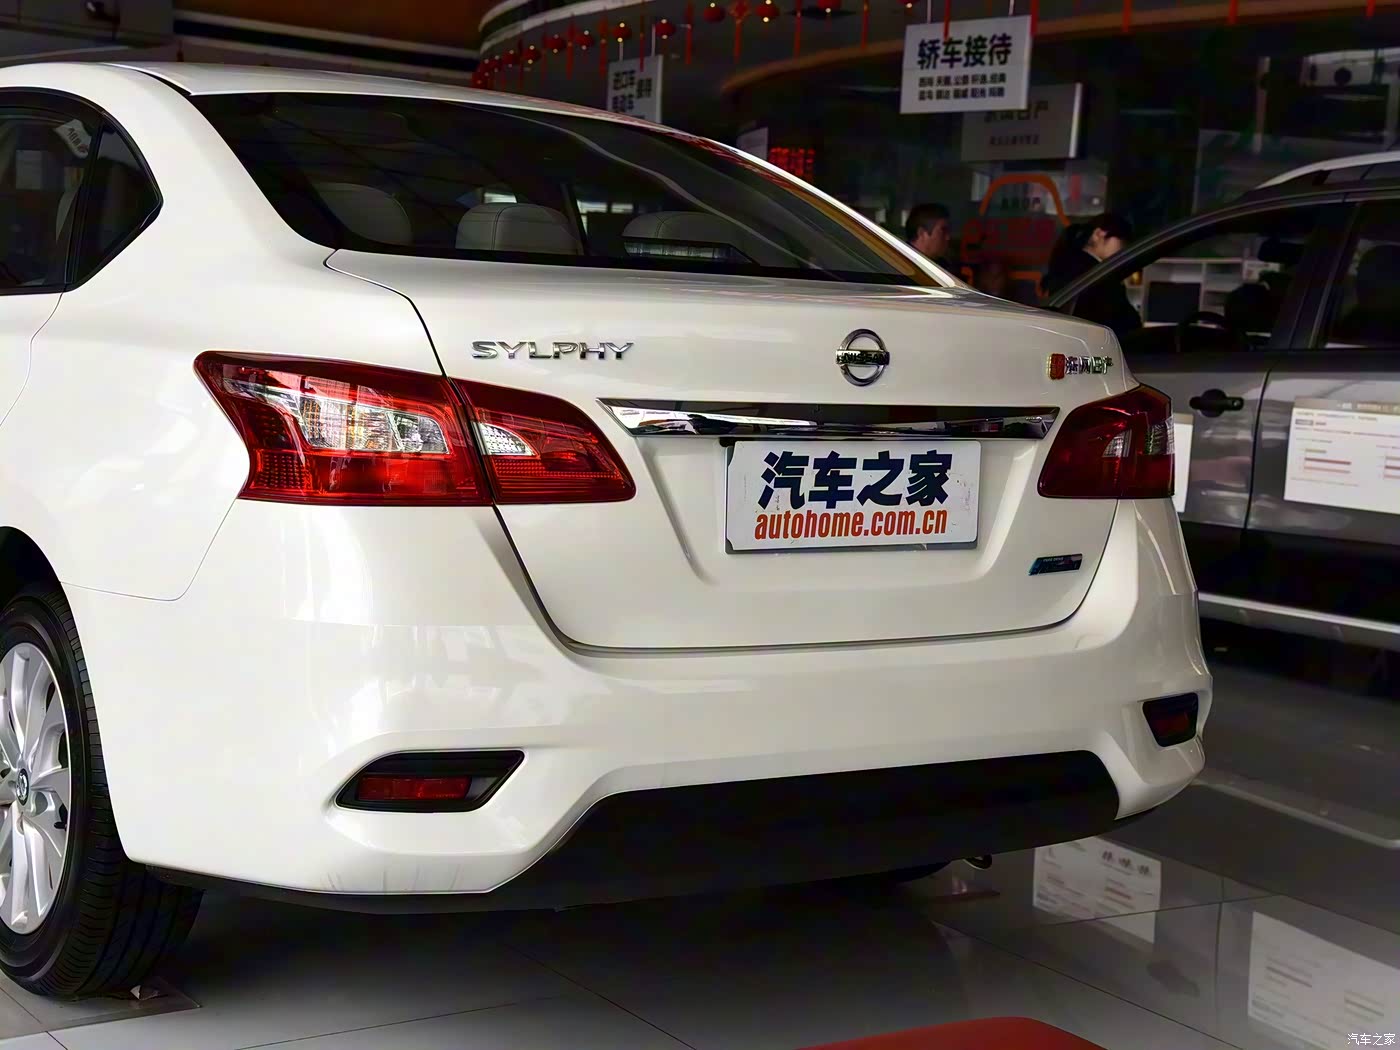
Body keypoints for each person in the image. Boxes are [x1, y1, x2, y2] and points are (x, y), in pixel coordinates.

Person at [1041, 212, 1141, 337]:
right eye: (1122, 241)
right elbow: (1127, 321)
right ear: (1099, 234)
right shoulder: (1097, 275)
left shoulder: (1071, 265)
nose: (1123, 248)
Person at [905, 202, 952, 269]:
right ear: (921, 233)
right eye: (943, 231)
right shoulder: (901, 265)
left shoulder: (943, 265)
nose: (948, 237)